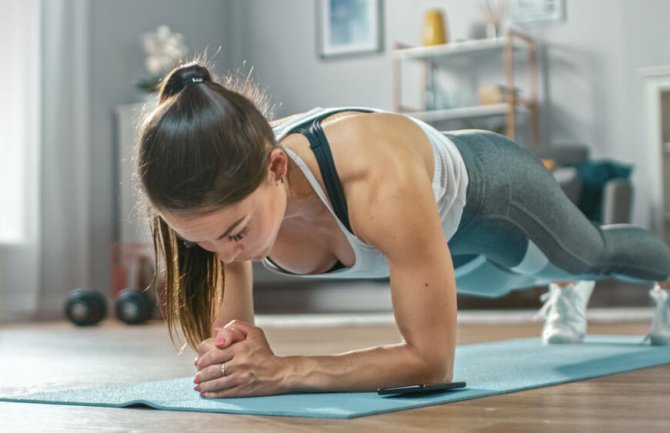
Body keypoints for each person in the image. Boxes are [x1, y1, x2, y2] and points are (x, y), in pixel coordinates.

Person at [136, 62, 670, 398]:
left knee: (586, 255)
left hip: (497, 196)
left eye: (233, 234)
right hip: (436, 246)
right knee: (504, 283)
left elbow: (431, 363)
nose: (220, 253)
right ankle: (558, 286)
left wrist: (287, 370)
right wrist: (237, 364)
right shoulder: (216, 195)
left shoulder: (374, 176)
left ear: (277, 169)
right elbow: (237, 357)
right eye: (195, 240)